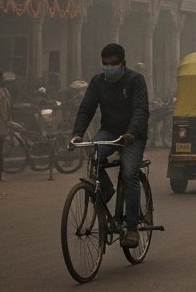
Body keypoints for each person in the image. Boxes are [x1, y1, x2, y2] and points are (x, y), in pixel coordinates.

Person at [71, 43, 150, 249]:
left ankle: (131, 227)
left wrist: (131, 133)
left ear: (122, 64)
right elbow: (86, 109)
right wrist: (77, 135)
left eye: (113, 64)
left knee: (129, 173)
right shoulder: (97, 82)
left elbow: (141, 110)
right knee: (94, 157)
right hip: (109, 132)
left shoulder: (135, 80)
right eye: (105, 64)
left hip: (133, 135)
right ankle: (105, 190)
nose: (109, 67)